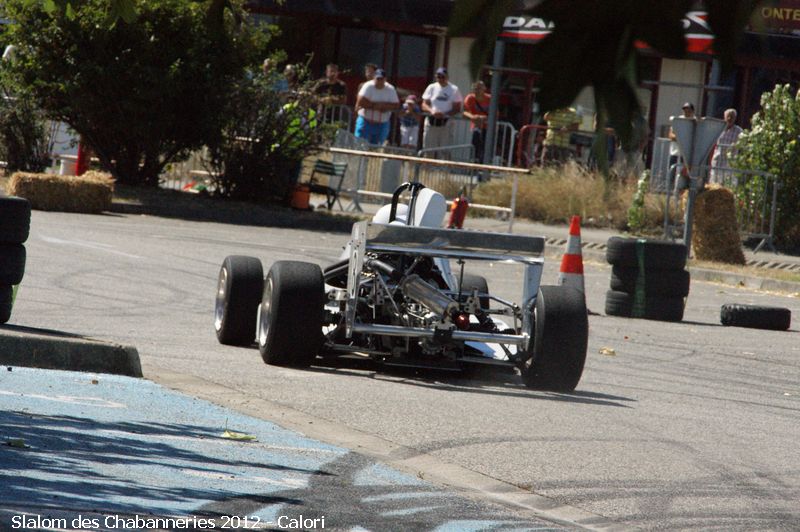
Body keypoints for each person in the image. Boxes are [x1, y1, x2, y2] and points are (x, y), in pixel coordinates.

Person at [354, 68, 399, 145]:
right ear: (374, 78)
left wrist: (384, 106)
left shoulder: (390, 89)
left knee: (377, 147)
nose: (379, 81)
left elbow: (396, 105)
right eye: (377, 79)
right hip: (365, 122)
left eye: (381, 79)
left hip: (382, 124)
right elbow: (361, 101)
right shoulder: (368, 86)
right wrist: (375, 106)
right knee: (360, 144)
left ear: (385, 79)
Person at [709, 108, 744, 185]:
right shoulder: (718, 129)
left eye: (732, 117)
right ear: (724, 117)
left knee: (729, 186)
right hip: (718, 162)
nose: (729, 118)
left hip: (730, 164)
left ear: (735, 118)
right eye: (728, 116)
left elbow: (743, 145)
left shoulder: (739, 131)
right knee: (715, 185)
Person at [668, 102, 696, 191]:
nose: (686, 112)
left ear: (692, 111)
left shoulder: (695, 122)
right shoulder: (678, 121)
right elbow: (670, 135)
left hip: (688, 155)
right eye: (685, 110)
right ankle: (670, 193)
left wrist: (684, 138)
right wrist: (681, 138)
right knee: (672, 173)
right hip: (675, 152)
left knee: (686, 175)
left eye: (689, 110)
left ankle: (683, 194)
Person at [462, 81, 491, 162]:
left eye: (479, 88)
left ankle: (484, 167)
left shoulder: (490, 99)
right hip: (476, 126)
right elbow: (464, 112)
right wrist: (473, 117)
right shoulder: (470, 98)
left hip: (487, 128)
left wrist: (483, 118)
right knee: (474, 147)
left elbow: (495, 114)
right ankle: (474, 166)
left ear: (484, 89)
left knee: (485, 148)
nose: (477, 90)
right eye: (475, 88)